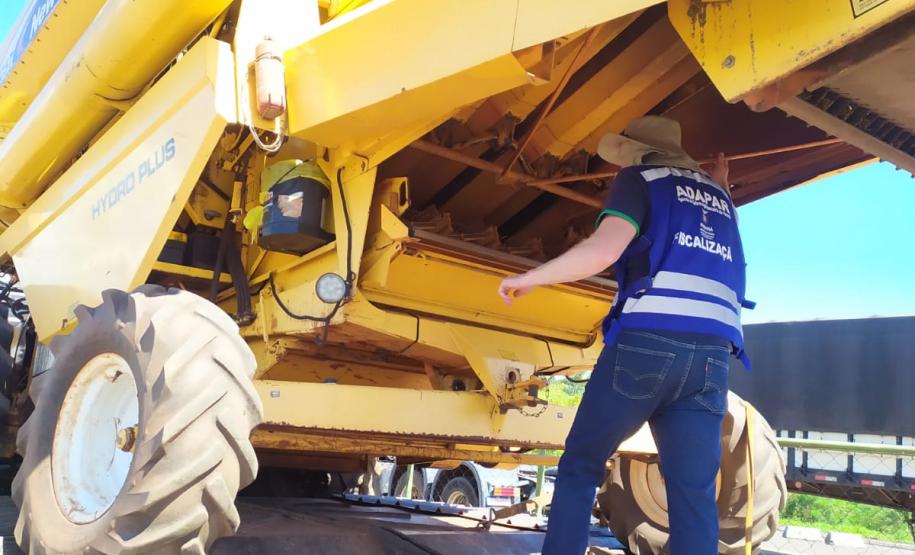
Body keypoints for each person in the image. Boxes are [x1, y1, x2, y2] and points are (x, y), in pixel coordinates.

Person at [498, 116, 752, 555]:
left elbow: (604, 249)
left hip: (647, 346)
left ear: (634, 153)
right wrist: (721, 185)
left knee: (581, 464)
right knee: (692, 492)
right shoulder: (722, 200)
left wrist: (532, 277)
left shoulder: (641, 179)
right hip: (712, 359)